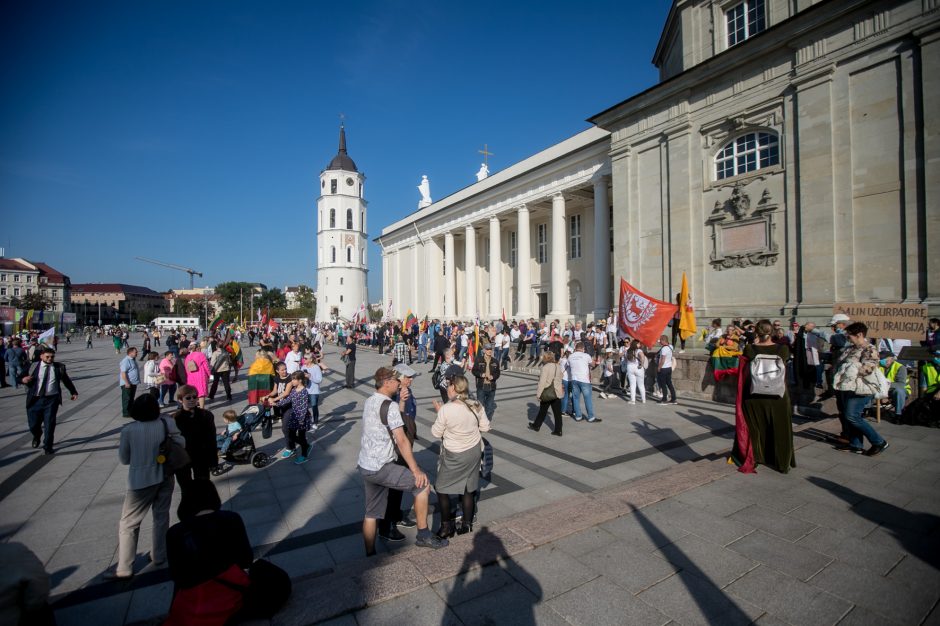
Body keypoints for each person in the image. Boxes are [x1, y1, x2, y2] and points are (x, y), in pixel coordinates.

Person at [165, 481, 290, 624]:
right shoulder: (231, 519)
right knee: (271, 574)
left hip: (193, 605)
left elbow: (177, 576)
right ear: (214, 497)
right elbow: (246, 560)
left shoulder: (174, 533)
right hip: (230, 597)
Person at [357, 367, 447, 556]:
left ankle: (369, 555)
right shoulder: (389, 406)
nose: (399, 383)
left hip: (366, 466)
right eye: (397, 381)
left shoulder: (370, 400)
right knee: (422, 486)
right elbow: (402, 440)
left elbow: (385, 422)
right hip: (382, 466)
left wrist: (402, 404)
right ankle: (423, 535)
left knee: (371, 513)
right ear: (387, 382)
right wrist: (415, 470)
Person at [106, 394, 183, 580]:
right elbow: (181, 443)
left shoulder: (129, 430)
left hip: (140, 480)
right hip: (165, 475)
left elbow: (124, 459)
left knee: (129, 523)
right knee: (161, 516)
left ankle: (124, 567)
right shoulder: (166, 423)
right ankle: (159, 555)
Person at [431, 374, 490, 537]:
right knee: (468, 489)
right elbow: (485, 426)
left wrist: (439, 413)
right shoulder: (476, 404)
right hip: (474, 451)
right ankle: (466, 524)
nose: (447, 388)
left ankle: (446, 527)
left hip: (454, 454)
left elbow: (436, 432)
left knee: (441, 488)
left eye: (449, 386)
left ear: (455, 388)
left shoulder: (447, 409)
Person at [739, 320, 796, 473]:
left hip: (755, 394)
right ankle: (782, 463)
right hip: (778, 394)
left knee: (755, 428)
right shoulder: (782, 349)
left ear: (757, 332)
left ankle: (757, 457)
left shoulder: (750, 348)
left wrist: (755, 341)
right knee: (780, 428)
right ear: (772, 332)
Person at [832, 322, 889, 456]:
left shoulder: (869, 349)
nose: (847, 338)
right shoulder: (850, 348)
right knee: (849, 415)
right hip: (847, 387)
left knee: (852, 416)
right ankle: (856, 444)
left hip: (862, 388)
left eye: (849, 336)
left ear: (859, 335)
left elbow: (868, 368)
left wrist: (851, 369)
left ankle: (879, 442)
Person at [378, 363, 419, 542]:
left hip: (405, 443)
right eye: (407, 377)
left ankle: (396, 515)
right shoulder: (392, 397)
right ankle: (387, 526)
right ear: (398, 378)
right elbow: (395, 422)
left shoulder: (407, 392)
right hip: (396, 446)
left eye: (411, 377)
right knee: (393, 487)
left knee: (399, 485)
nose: (411, 379)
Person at [22, 346, 78, 454]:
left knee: (50, 424)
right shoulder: (33, 366)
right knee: (33, 424)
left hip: (51, 400)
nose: (50, 359)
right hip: (35, 400)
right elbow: (20, 376)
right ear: (41, 356)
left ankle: (48, 446)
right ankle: (37, 435)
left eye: (52, 357)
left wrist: (73, 392)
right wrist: (23, 379)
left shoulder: (59, 367)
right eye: (47, 357)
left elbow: (66, 380)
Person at [172, 384, 218, 489]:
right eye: (188, 397)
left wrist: (213, 460)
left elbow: (211, 439)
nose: (192, 400)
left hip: (201, 456)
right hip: (183, 458)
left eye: (194, 397)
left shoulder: (206, 415)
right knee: (186, 488)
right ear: (180, 400)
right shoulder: (175, 418)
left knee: (203, 486)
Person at [267, 371, 312, 464]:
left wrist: (301, 420)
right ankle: (306, 446)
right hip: (294, 416)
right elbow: (288, 400)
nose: (292, 381)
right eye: (292, 379)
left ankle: (304, 455)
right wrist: (276, 404)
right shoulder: (294, 389)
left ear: (300, 380)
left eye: (294, 379)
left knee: (301, 437)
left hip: (301, 418)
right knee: (291, 434)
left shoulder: (304, 392)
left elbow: (303, 408)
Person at [530, 351, 564, 436]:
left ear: (546, 358)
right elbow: (561, 378)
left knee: (543, 411)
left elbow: (542, 382)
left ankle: (536, 426)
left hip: (547, 392)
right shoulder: (558, 366)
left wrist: (538, 394)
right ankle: (558, 430)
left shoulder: (546, 367)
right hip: (557, 392)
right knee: (557, 413)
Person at [567, 342, 601, 423]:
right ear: (583, 348)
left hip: (574, 379)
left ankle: (578, 416)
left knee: (575, 398)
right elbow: (593, 365)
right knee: (587, 399)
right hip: (584, 380)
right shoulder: (586, 355)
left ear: (575, 348)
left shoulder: (570, 356)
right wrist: (594, 361)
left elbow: (568, 365)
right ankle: (590, 417)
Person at [470, 343, 500, 419]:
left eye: (490, 349)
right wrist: (481, 374)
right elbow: (474, 371)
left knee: (489, 407)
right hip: (481, 386)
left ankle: (486, 422)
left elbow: (498, 373)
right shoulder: (479, 360)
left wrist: (493, 376)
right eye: (487, 349)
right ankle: (478, 421)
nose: (489, 351)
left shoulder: (495, 361)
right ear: (484, 350)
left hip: (491, 387)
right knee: (479, 406)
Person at [879, 351, 910, 418]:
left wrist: (885, 385)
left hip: (896, 390)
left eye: (885, 359)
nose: (882, 361)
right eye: (881, 359)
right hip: (882, 389)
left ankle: (898, 414)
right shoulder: (878, 366)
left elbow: (901, 385)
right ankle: (866, 410)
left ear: (892, 359)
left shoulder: (900, 368)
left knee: (899, 391)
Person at [184, 343, 212, 409]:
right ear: (198, 347)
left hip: (191, 377)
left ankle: (194, 407)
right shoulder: (201, 355)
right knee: (201, 393)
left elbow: (186, 367)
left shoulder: (188, 356)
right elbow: (206, 367)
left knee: (193, 393)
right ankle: (202, 408)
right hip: (200, 376)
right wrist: (210, 375)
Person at [624, 340, 648, 404]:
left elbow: (625, 359)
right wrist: (642, 364)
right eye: (638, 344)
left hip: (630, 367)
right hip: (638, 368)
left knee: (632, 385)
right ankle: (643, 400)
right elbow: (642, 356)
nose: (639, 345)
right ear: (636, 344)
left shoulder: (627, 351)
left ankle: (633, 400)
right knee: (641, 385)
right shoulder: (639, 351)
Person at [656, 335, 678, 405]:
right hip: (669, 368)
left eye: (660, 341)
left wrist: (659, 367)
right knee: (669, 383)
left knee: (663, 384)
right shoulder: (670, 346)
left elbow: (663, 359)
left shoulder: (664, 349)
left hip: (663, 368)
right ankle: (673, 399)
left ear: (663, 340)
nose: (660, 343)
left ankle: (664, 399)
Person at [119, 347, 140, 418]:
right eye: (135, 352)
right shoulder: (126, 361)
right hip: (127, 383)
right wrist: (126, 382)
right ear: (130, 353)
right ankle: (126, 413)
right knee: (126, 398)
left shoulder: (132, 360)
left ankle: (130, 411)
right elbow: (123, 373)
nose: (137, 353)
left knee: (131, 398)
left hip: (133, 383)